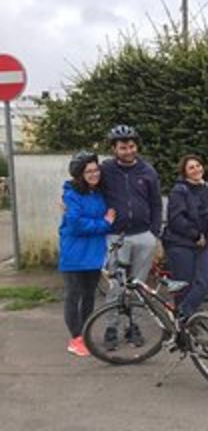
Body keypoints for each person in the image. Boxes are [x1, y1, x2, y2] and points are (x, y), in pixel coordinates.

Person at [100, 124, 162, 349]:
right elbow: (85, 182)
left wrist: (154, 233)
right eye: (122, 147)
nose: (128, 151)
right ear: (114, 149)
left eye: (131, 146)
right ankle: (111, 328)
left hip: (144, 236)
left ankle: (133, 326)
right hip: (116, 236)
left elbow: (156, 203)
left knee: (138, 287)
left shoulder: (148, 171)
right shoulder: (105, 169)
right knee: (117, 285)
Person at [58, 152, 115, 357]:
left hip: (93, 253)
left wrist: (106, 222)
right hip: (74, 253)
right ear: (79, 175)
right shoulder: (72, 194)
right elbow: (76, 225)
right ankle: (75, 339)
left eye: (95, 170)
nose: (94, 174)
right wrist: (104, 223)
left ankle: (85, 333)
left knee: (89, 296)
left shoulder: (97, 193)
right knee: (73, 296)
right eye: (88, 171)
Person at [162, 155, 208, 319]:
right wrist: (195, 235)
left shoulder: (206, 188)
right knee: (184, 286)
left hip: (202, 244)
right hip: (180, 244)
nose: (196, 170)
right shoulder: (179, 191)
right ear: (184, 172)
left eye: (198, 165)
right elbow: (176, 218)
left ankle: (183, 312)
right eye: (191, 167)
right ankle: (183, 322)